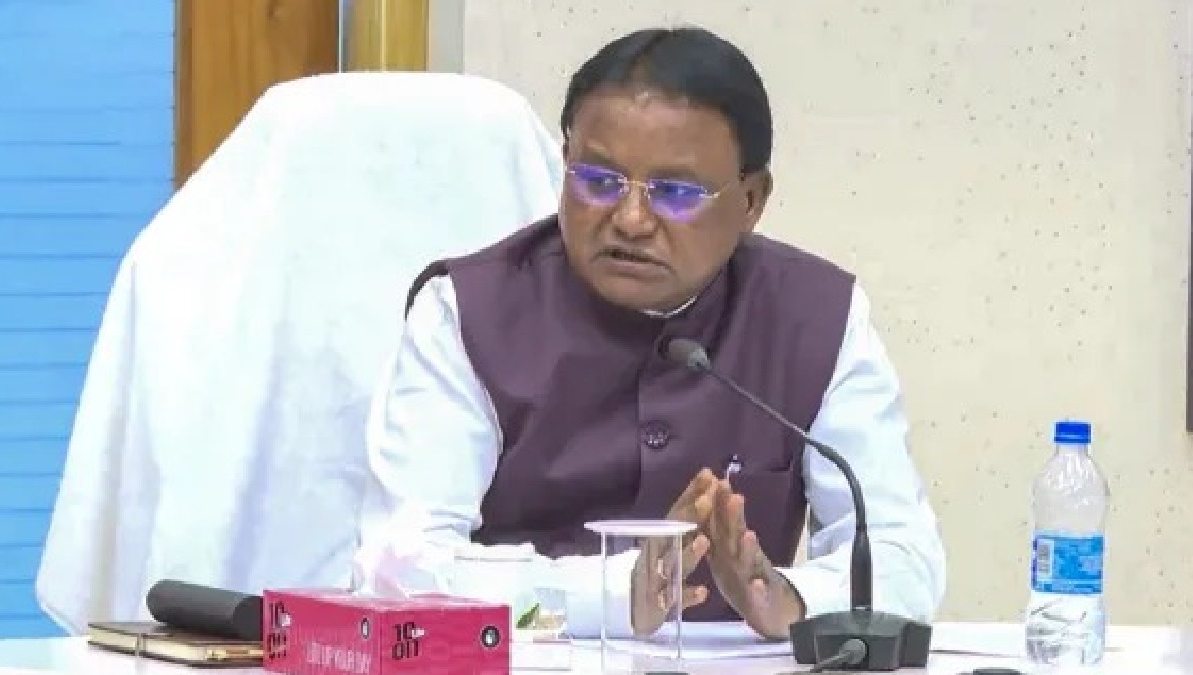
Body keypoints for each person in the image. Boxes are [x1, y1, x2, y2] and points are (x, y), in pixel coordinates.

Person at [353, 26, 946, 641]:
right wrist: (614, 594)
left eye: (676, 193)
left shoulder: (815, 316)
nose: (631, 219)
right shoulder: (467, 311)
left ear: (751, 200)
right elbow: (398, 567)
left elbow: (903, 556)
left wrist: (792, 599)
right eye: (597, 180)